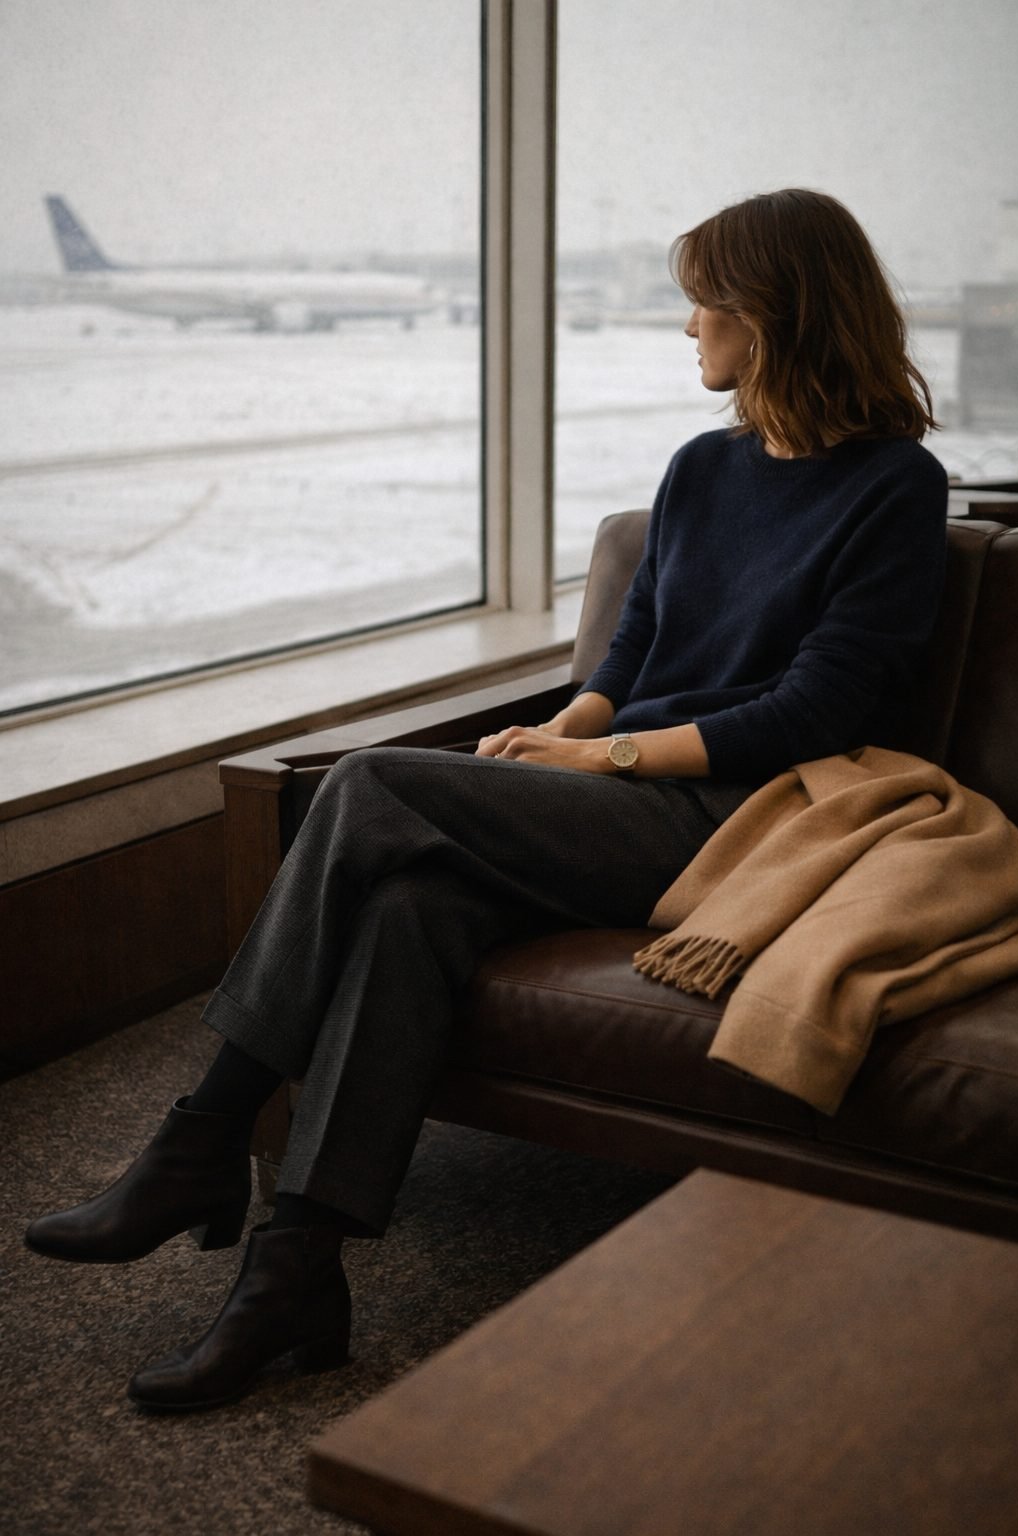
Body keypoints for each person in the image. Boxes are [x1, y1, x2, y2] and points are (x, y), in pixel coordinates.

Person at [25, 188, 949, 1411]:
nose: (685, 326)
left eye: (702, 300)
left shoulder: (895, 487)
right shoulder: (701, 467)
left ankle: (200, 1137)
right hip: (628, 789)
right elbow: (634, 656)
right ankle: (291, 1270)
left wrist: (600, 765)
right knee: (413, 902)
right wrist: (559, 728)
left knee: (361, 785)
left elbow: (811, 716)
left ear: (768, 315)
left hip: (743, 818)